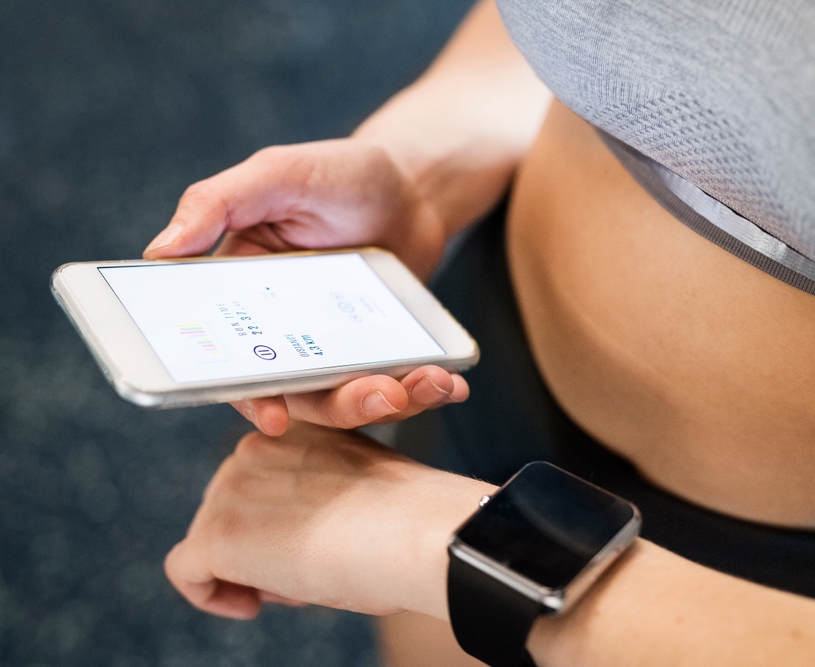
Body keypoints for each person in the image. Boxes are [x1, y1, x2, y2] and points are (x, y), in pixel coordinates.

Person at [143, 1, 815, 665]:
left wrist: (440, 544)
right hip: (491, 362)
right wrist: (427, 164)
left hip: (766, 567)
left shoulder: (427, 534)